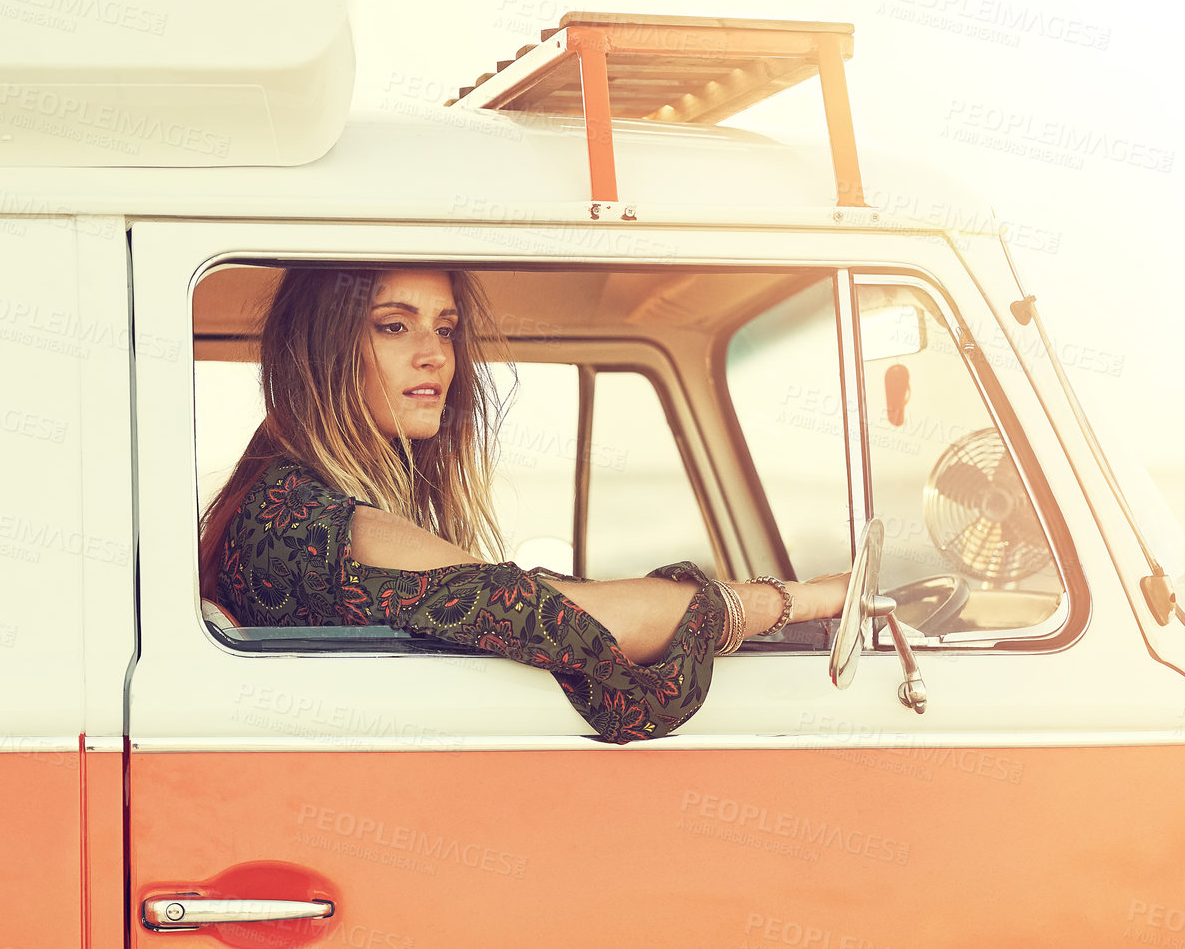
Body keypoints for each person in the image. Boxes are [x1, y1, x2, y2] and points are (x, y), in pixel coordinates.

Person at [198, 267, 851, 744]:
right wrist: (805, 600)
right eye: (394, 326)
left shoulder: (279, 505)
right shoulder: (328, 533)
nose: (434, 355)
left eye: (446, 328)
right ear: (322, 349)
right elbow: (573, 619)